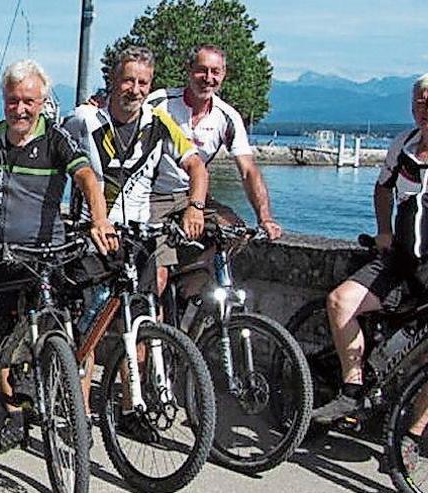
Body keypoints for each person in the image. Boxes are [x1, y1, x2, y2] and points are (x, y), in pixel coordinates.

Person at [0, 59, 105, 454]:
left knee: (59, 330)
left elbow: (86, 177)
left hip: (45, 254)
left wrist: (101, 221)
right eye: (13, 101)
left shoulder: (58, 139)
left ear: (42, 101)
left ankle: (69, 414)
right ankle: (13, 417)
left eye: (29, 101)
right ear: (4, 100)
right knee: (2, 337)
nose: (21, 109)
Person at [64, 46, 208, 441]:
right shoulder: (85, 119)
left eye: (143, 82)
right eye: (128, 80)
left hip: (139, 237)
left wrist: (195, 207)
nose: (135, 89)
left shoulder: (159, 122)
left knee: (140, 323)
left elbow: (195, 164)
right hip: (92, 235)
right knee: (89, 325)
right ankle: (79, 415)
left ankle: (131, 408)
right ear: (112, 80)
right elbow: (53, 156)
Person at [312, 74, 428, 458]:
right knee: (341, 302)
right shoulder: (404, 145)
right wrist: (382, 229)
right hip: (399, 261)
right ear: (413, 107)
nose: (426, 110)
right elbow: (382, 188)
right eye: (421, 103)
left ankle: (411, 435)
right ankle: (352, 390)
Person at [144, 44, 281, 294]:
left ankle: (187, 285)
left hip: (192, 195)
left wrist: (265, 217)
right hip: (153, 196)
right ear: (188, 71)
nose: (209, 79)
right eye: (202, 71)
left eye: (215, 72)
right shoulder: (160, 102)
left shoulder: (226, 116)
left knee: (237, 232)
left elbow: (248, 170)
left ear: (224, 74)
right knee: (157, 281)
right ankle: (157, 318)